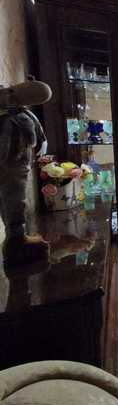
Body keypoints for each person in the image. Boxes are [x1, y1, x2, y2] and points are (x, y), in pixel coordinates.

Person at [0, 77, 52, 266]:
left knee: (12, 198)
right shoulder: (12, 118)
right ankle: (16, 240)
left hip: (15, 166)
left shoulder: (18, 111)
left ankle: (16, 237)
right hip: (12, 166)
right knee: (13, 197)